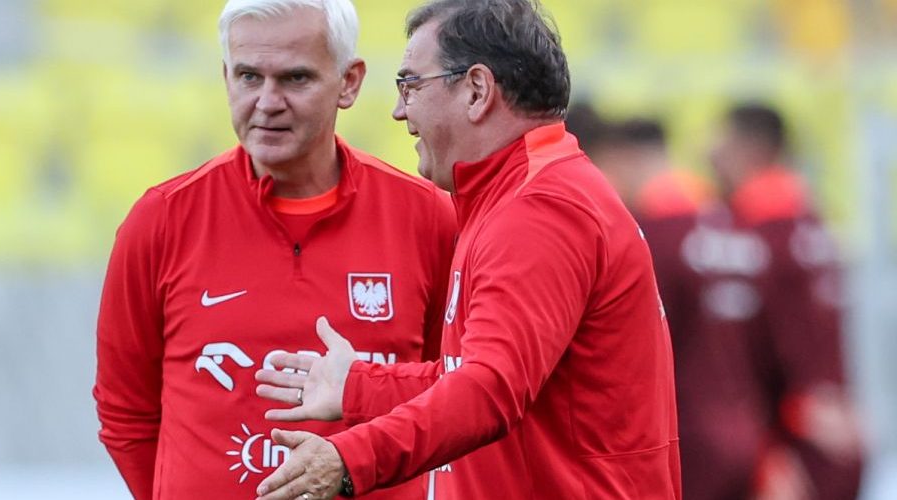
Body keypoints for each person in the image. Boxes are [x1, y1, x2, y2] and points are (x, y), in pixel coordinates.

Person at [250, 1, 682, 498]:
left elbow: (489, 389)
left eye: (411, 85)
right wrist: (358, 386)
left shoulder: (539, 209)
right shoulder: (520, 196)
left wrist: (350, 458)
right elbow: (474, 376)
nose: (399, 111)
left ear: (477, 90)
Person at [92, 0, 457, 498]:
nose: (267, 102)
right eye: (249, 77)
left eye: (295, 78)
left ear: (348, 82)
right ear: (226, 78)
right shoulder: (160, 220)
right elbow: (125, 413)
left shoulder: (429, 218)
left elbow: (454, 396)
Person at [594, 117, 770, 500]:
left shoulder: (652, 237)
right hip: (746, 427)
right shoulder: (730, 225)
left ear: (624, 159)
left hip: (685, 430)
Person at [708, 104, 863, 500]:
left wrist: (770, 449)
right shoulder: (812, 223)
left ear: (751, 150)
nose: (711, 155)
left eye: (721, 144)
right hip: (834, 431)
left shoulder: (752, 234)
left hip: (788, 445)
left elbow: (747, 355)